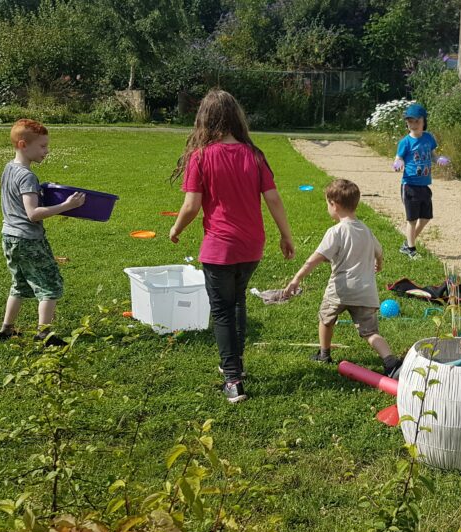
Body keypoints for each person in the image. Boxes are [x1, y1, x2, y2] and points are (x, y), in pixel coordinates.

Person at [169, 89, 295, 404]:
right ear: (235, 117)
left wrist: (175, 228)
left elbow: (191, 206)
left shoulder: (200, 156)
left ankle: (232, 379)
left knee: (223, 311)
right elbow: (274, 198)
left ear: (205, 120)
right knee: (237, 302)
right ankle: (236, 364)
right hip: (252, 246)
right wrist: (285, 235)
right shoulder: (254, 155)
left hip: (220, 248)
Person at [283, 179, 402, 378]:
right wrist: (378, 264)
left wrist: (296, 279)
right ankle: (391, 362)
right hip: (365, 291)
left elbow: (315, 259)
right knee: (370, 333)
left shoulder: (336, 231)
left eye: (326, 204)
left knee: (326, 320)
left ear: (334, 205)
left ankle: (324, 354)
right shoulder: (366, 230)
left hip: (339, 291)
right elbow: (378, 252)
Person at [0, 119, 85, 347]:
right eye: (43, 146)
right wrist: (67, 205)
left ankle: (7, 329)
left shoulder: (9, 168)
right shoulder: (27, 176)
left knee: (19, 283)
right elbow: (33, 213)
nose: (47, 151)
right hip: (29, 239)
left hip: (10, 237)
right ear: (23, 145)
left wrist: (45, 191)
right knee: (50, 285)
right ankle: (44, 333)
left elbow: (19, 198)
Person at [393, 103, 437, 260]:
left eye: (417, 121)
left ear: (424, 121)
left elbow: (432, 154)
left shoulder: (428, 138)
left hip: (424, 185)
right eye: (410, 121)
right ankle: (411, 249)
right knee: (411, 219)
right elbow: (399, 157)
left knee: (425, 218)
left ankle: (407, 243)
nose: (413, 125)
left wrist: (438, 159)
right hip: (409, 185)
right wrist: (398, 163)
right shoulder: (405, 142)